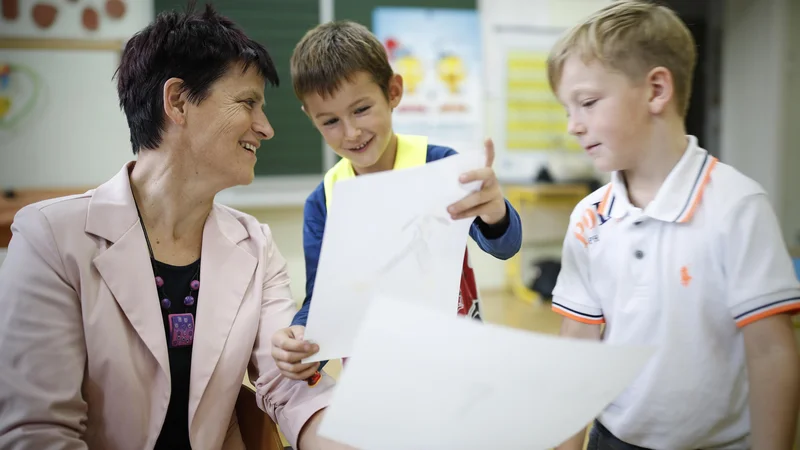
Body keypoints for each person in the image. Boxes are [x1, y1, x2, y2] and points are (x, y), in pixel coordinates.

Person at [0, 4, 350, 450]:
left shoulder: (255, 245)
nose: (266, 128)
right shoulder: (50, 239)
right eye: (248, 103)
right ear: (178, 101)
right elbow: (38, 432)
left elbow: (294, 389)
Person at [546, 1, 800, 449]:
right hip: (614, 439)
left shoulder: (738, 207)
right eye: (568, 109)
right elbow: (578, 347)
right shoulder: (589, 218)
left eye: (586, 103)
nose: (573, 126)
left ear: (656, 90)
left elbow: (772, 352)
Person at [269, 20, 523, 380]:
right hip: (375, 374)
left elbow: (505, 247)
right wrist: (304, 342)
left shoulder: (439, 165)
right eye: (330, 121)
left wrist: (496, 210)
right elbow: (323, 302)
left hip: (457, 361)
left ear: (393, 91)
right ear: (310, 118)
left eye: (361, 110)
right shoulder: (325, 200)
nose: (351, 133)